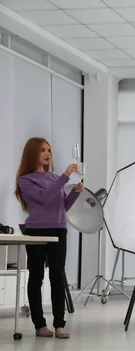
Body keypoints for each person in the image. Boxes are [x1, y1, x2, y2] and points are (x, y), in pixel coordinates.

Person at [15, 137, 83, 339]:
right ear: (32, 153)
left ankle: (59, 324)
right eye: (42, 150)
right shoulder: (25, 180)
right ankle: (39, 324)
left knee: (58, 277)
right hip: (36, 232)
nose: (47, 154)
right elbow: (44, 198)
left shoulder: (54, 179)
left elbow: (62, 207)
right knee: (36, 277)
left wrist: (75, 193)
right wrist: (64, 177)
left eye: (49, 150)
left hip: (59, 230)